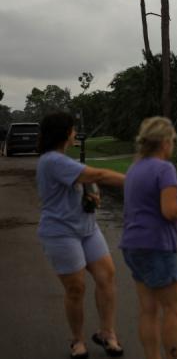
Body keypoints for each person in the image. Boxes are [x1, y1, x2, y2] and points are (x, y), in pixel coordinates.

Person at [35, 112, 126, 358]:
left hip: (87, 228)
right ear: (65, 133)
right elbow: (97, 175)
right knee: (76, 288)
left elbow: (86, 181)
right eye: (73, 129)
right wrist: (134, 181)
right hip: (60, 232)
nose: (75, 133)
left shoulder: (62, 159)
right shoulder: (52, 160)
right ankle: (77, 341)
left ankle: (107, 333)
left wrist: (90, 194)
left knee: (106, 276)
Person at [120, 117, 177, 359]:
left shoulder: (134, 168)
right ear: (164, 142)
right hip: (156, 246)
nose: (172, 145)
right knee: (174, 307)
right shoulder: (165, 169)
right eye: (172, 141)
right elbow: (170, 211)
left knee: (148, 309)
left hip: (132, 245)